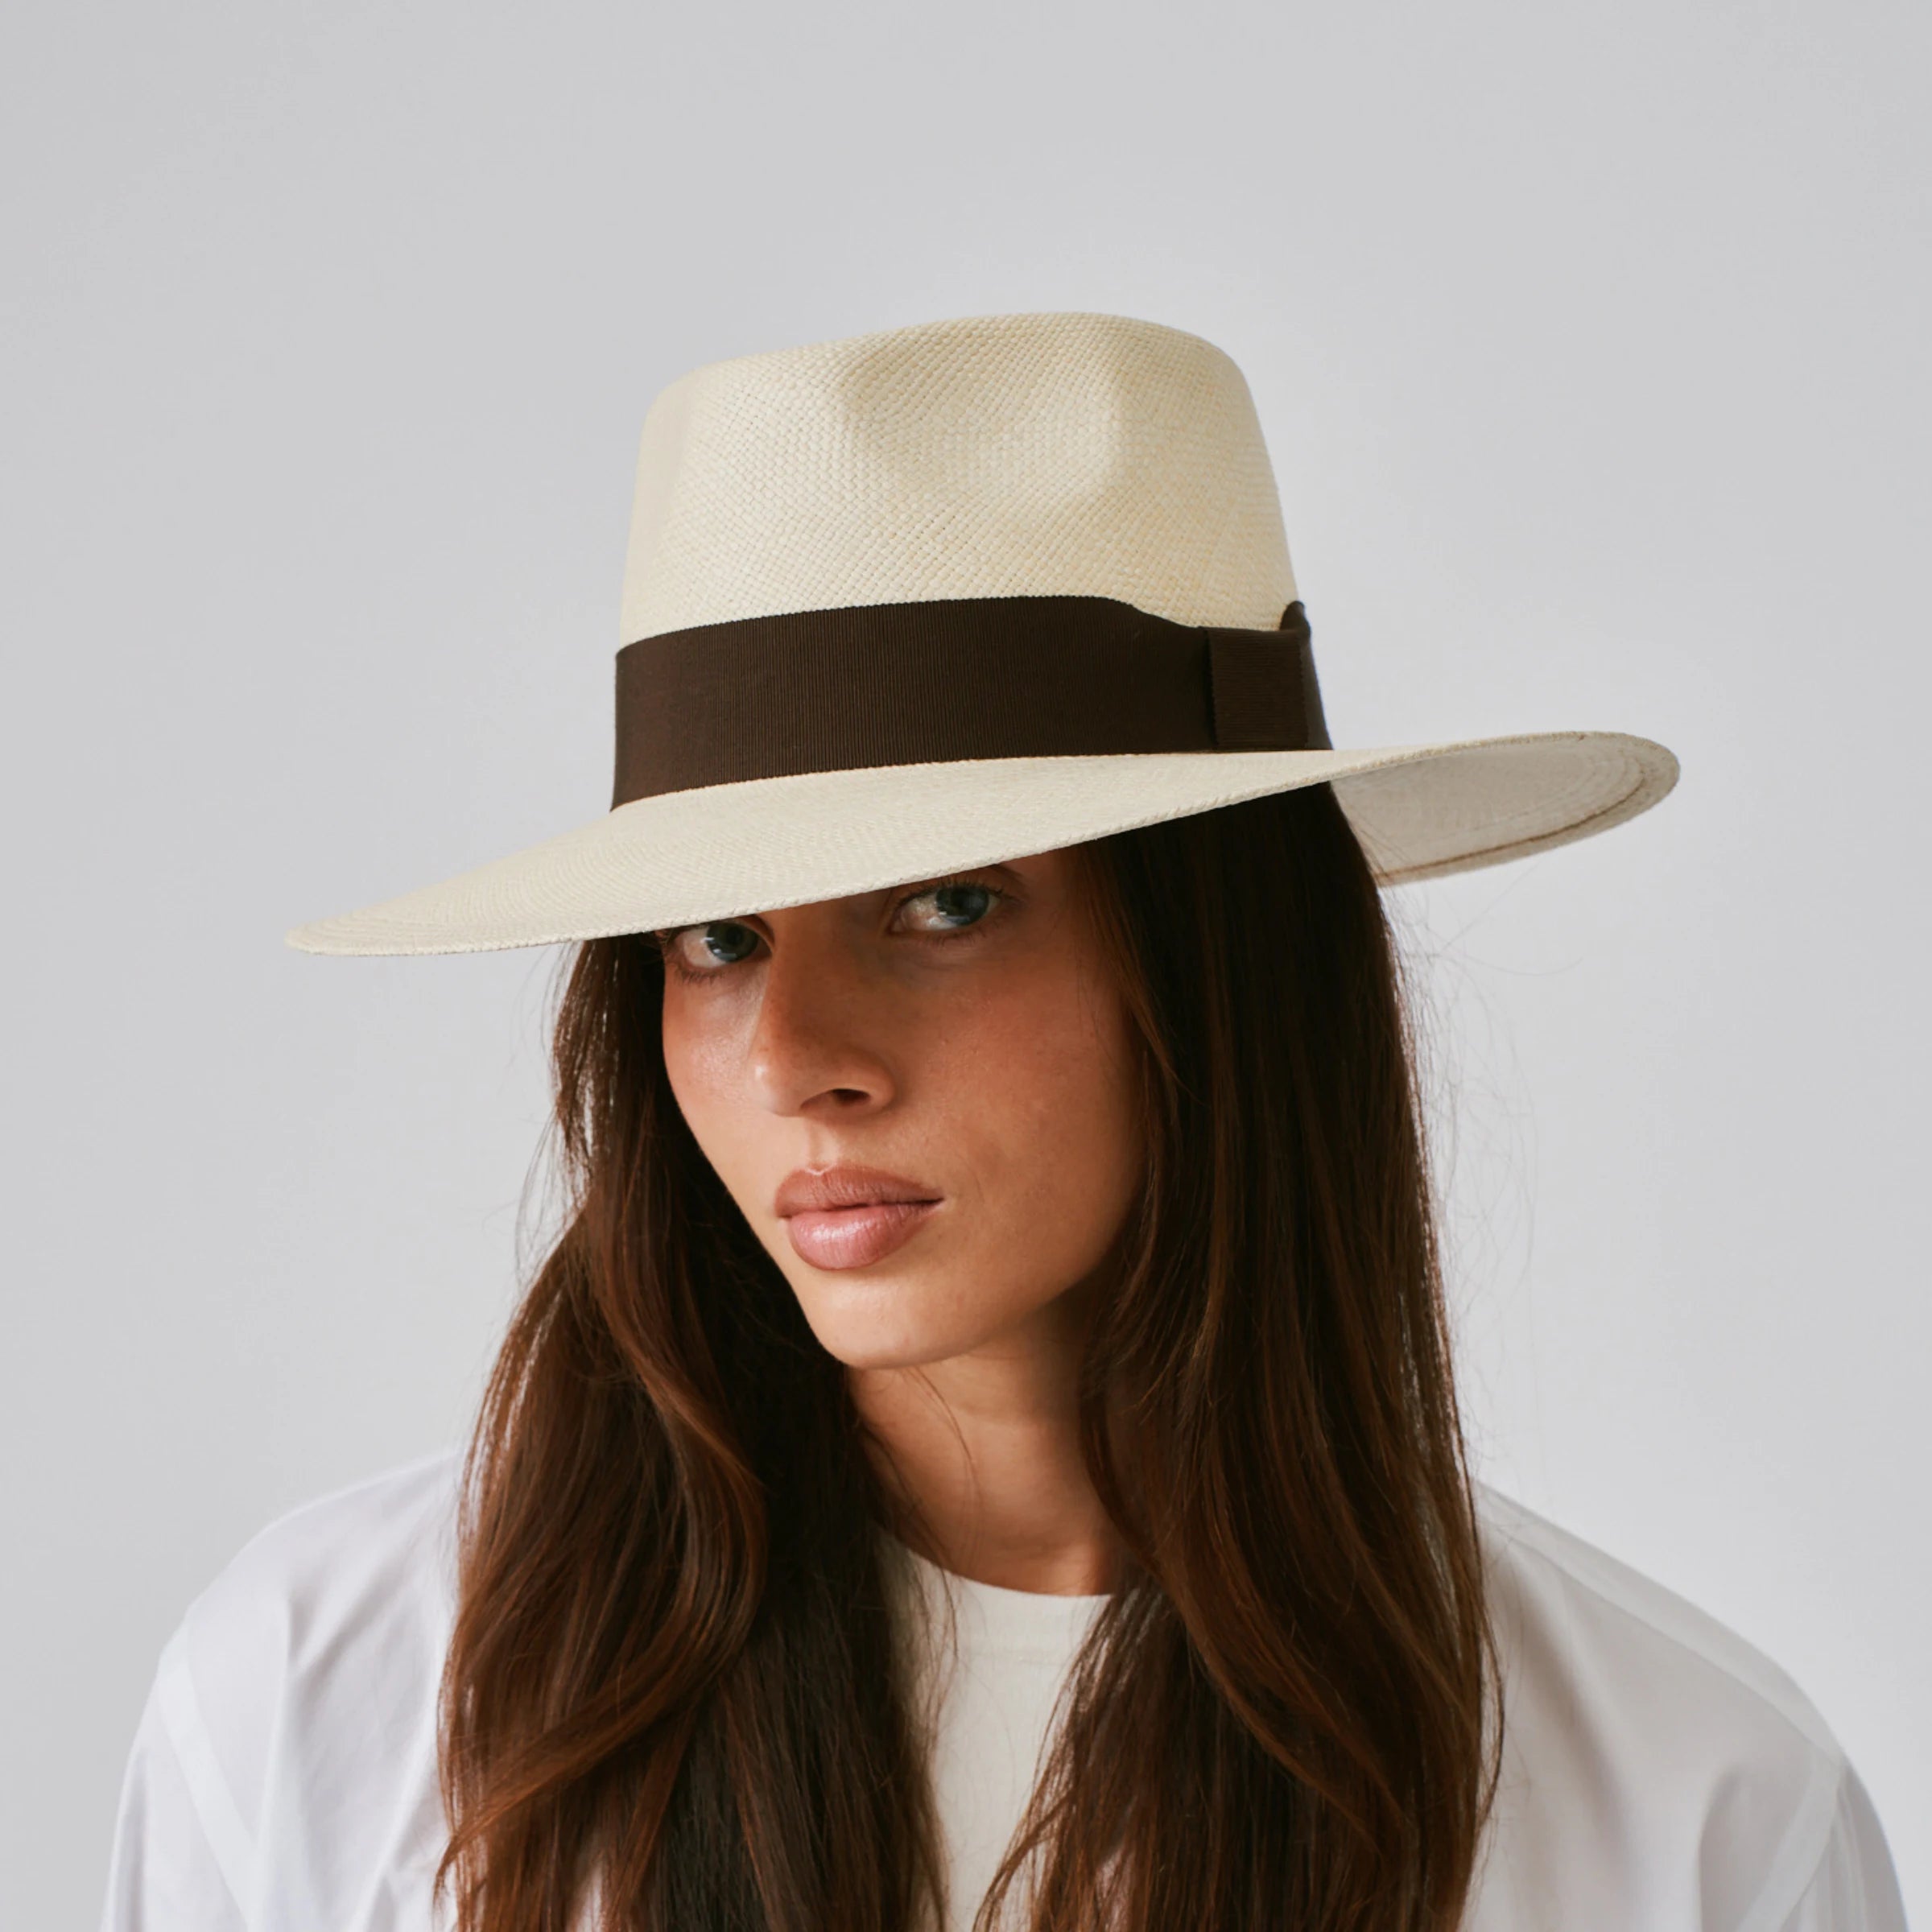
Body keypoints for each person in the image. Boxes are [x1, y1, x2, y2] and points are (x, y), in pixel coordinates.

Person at [97, 312, 1909, 1932]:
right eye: (717, 937)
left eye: (945, 903)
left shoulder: (1687, 1816)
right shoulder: (328, 1697)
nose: (798, 1052)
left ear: (1220, 958)